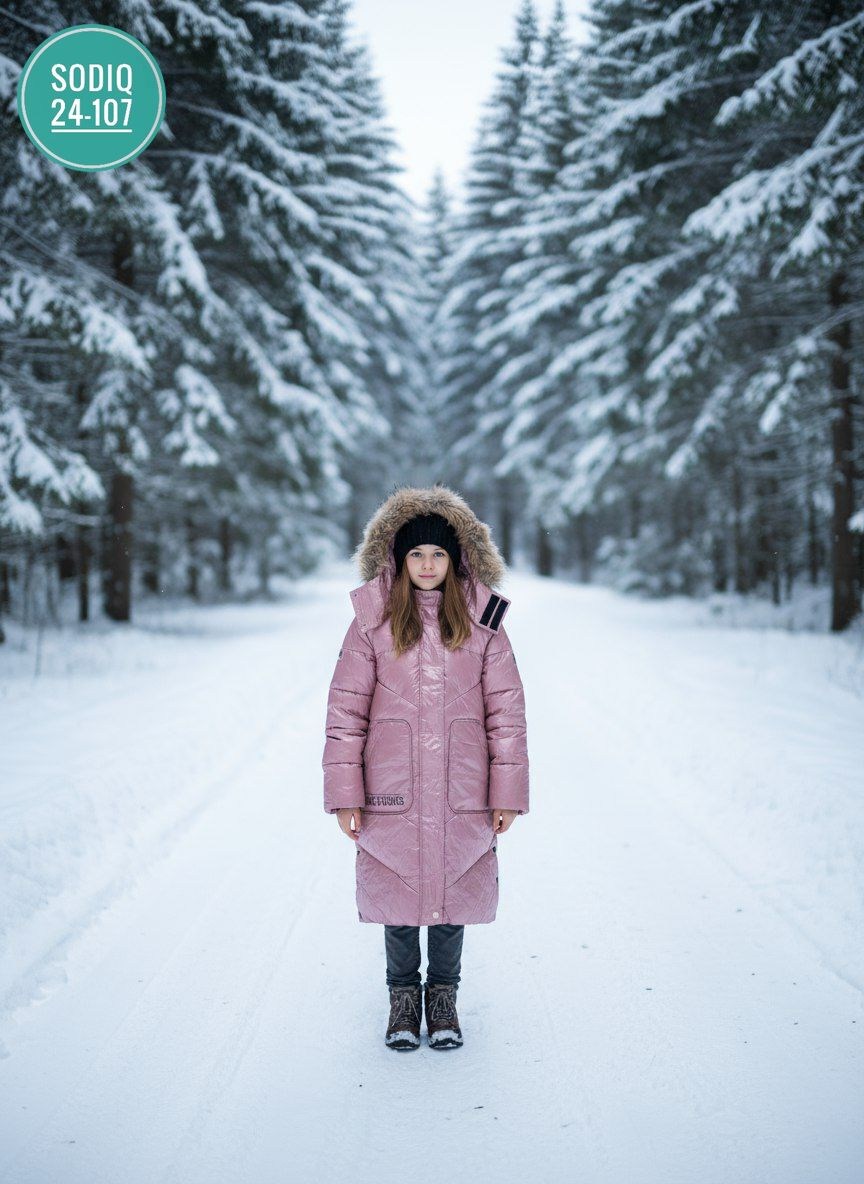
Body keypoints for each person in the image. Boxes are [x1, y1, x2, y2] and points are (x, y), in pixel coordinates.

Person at [322, 484, 530, 1051]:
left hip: (463, 786)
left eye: (438, 553)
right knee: (398, 890)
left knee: (452, 892)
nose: (428, 564)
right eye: (416, 554)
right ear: (397, 557)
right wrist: (347, 794)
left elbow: (506, 714)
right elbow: (345, 712)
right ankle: (401, 1001)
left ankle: (443, 999)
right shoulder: (371, 622)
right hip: (392, 786)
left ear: (458, 557)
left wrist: (505, 792)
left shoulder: (484, 623)